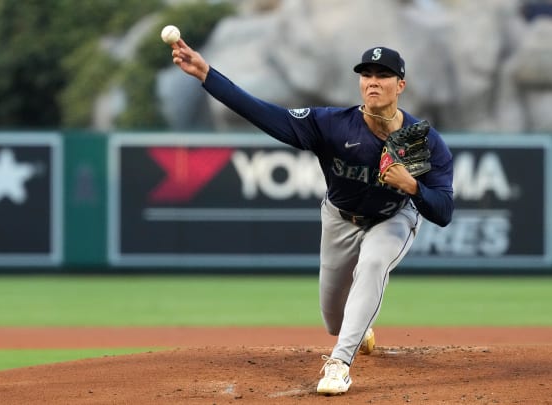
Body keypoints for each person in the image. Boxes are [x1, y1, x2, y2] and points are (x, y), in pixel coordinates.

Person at [169, 40, 454, 395]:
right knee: (334, 319)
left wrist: (412, 186)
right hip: (340, 217)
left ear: (401, 85)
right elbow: (264, 114)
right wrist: (207, 75)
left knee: (373, 263)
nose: (373, 81)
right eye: (367, 75)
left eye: (384, 75)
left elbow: (443, 211)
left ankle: (339, 364)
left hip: (392, 217)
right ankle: (356, 325)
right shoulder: (332, 125)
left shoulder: (421, 142)